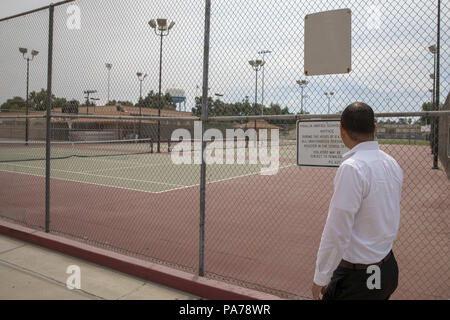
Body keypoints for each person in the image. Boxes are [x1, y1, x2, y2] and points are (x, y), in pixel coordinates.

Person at [312, 102, 403, 300]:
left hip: (357, 278)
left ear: (341, 130)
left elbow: (337, 231)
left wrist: (321, 276)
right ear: (374, 128)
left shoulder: (352, 168)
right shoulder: (392, 163)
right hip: (386, 268)